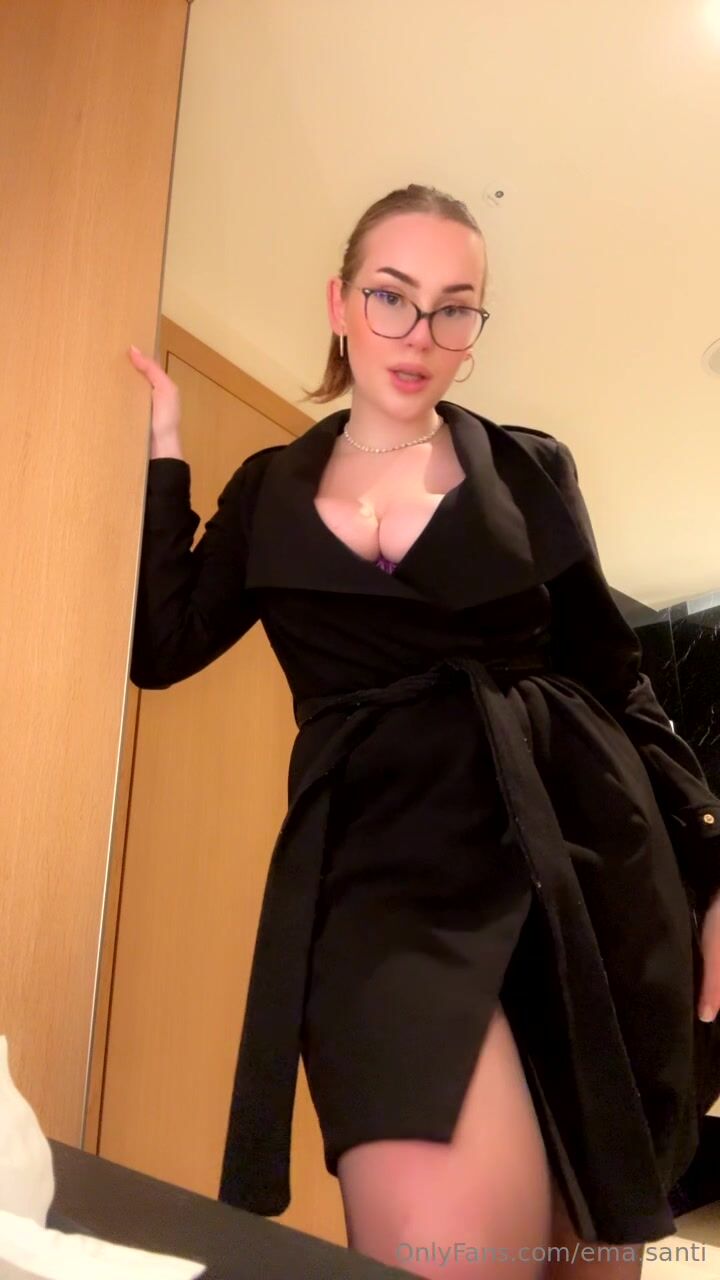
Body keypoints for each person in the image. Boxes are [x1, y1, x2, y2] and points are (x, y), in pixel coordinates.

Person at [128, 184, 720, 1279]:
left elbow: (617, 676)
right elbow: (159, 644)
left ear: (474, 331)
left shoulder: (530, 466)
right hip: (381, 876)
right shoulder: (268, 492)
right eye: (392, 296)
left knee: (590, 1252)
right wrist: (167, 450)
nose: (419, 333)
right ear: (340, 303)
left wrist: (713, 857)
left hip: (578, 860)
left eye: (455, 307)